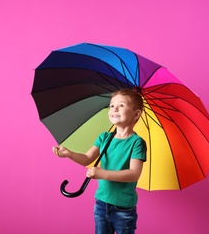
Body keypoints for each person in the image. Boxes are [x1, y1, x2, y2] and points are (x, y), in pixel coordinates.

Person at [52, 89, 147, 234]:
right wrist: (69, 154)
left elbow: (134, 174)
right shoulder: (104, 138)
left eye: (121, 105)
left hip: (124, 208)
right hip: (102, 204)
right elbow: (88, 158)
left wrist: (103, 174)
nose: (114, 108)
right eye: (111, 105)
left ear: (136, 114)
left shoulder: (137, 143)